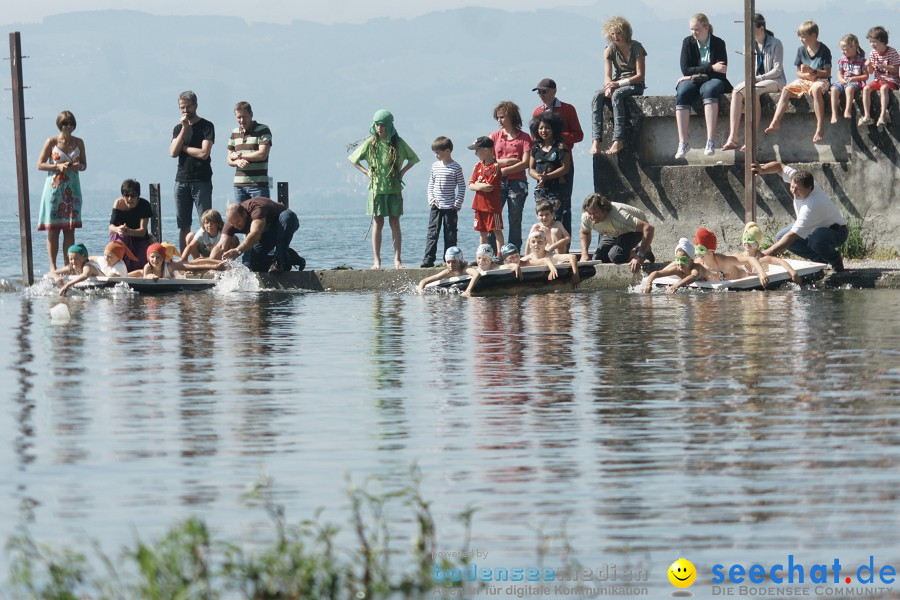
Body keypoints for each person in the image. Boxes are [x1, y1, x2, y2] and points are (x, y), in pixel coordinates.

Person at [348, 109, 419, 269]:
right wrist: (366, 172)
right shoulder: (370, 143)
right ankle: (377, 261)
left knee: (395, 222)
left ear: (388, 126)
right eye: (377, 124)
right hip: (376, 190)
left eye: (382, 124)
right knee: (377, 223)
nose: (379, 127)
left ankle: (397, 260)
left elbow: (413, 159)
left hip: (394, 188)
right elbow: (353, 159)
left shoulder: (398, 142)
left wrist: (401, 173)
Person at [751, 161, 848, 271]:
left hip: (836, 232)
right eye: (792, 187)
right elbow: (779, 167)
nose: (793, 191)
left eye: (797, 189)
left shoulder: (811, 205)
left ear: (810, 188)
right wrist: (762, 170)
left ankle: (836, 262)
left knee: (815, 240)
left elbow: (792, 236)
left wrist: (766, 253)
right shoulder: (798, 178)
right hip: (814, 229)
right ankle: (820, 260)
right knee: (780, 236)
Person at [721, 14, 786, 151]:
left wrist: (759, 78)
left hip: (775, 81)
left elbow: (777, 70)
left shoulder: (776, 43)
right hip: (755, 80)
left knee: (754, 92)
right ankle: (733, 137)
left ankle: (752, 139)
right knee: (736, 92)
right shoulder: (749, 45)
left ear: (761, 28)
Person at [674, 13, 732, 159]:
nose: (694, 32)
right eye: (692, 29)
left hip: (714, 80)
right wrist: (711, 67)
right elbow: (685, 69)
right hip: (697, 79)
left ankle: (710, 140)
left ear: (706, 27)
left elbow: (722, 70)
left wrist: (699, 72)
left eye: (697, 29)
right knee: (682, 92)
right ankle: (683, 142)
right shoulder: (688, 42)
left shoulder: (719, 43)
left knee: (709, 90)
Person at [765, 21, 832, 143]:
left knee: (816, 90)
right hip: (805, 80)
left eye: (803, 36)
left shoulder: (824, 50)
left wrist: (813, 71)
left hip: (820, 80)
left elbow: (827, 73)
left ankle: (820, 126)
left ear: (813, 36)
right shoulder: (801, 50)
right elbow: (798, 72)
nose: (801, 39)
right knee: (786, 90)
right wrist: (805, 74)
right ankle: (776, 121)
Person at [36, 110, 87, 271]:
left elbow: (85, 165)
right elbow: (40, 164)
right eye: (65, 123)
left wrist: (79, 166)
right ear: (60, 124)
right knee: (53, 229)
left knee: (69, 229)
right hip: (55, 190)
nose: (69, 126)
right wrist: (57, 166)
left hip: (72, 190)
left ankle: (68, 265)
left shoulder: (79, 142)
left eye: (71, 123)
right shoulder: (51, 142)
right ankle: (52, 266)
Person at [532, 78, 583, 238]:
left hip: (562, 162)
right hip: (542, 164)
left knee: (564, 205)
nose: (541, 95)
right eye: (539, 92)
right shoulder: (537, 112)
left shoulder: (567, 109)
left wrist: (558, 137)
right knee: (543, 205)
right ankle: (544, 241)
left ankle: (564, 242)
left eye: (544, 91)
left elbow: (578, 135)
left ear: (554, 91)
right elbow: (535, 138)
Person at [591, 16, 647, 155]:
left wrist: (618, 84)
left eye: (619, 33)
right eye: (613, 33)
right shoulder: (609, 50)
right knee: (598, 96)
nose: (616, 37)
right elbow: (607, 75)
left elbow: (640, 75)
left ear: (626, 32)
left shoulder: (637, 48)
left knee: (617, 95)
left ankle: (618, 140)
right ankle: (596, 140)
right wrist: (608, 86)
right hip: (617, 82)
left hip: (635, 84)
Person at [169, 90, 215, 251]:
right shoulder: (177, 129)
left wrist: (185, 148)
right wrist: (183, 128)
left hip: (201, 180)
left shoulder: (206, 126)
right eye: (182, 107)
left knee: (208, 222)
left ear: (195, 105)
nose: (185, 110)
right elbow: (173, 152)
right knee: (183, 224)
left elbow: (203, 153)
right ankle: (184, 261)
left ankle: (209, 258)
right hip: (181, 180)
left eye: (188, 106)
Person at [212, 198, 301, 273]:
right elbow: (220, 246)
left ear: (244, 214)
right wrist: (210, 266)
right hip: (266, 232)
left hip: (283, 224)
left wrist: (237, 250)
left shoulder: (256, 209)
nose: (236, 226)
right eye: (233, 224)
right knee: (251, 265)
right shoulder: (231, 223)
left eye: (238, 222)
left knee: (287, 217)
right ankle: (289, 257)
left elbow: (255, 234)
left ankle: (280, 259)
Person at [489, 101, 532, 250]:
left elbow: (525, 162)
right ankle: (491, 252)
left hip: (517, 183)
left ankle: (513, 252)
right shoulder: (494, 136)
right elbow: (488, 160)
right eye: (497, 118)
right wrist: (507, 162)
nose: (499, 121)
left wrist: (505, 170)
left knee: (515, 218)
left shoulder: (525, 138)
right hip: (496, 183)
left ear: (511, 117)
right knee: (493, 218)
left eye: (502, 117)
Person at [579, 193, 654, 272]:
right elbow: (585, 233)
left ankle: (643, 251)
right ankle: (635, 250)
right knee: (598, 259)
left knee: (616, 256)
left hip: (632, 231)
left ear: (604, 209)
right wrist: (584, 254)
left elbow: (649, 228)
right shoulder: (587, 217)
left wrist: (639, 256)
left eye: (595, 213)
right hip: (612, 232)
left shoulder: (620, 216)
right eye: (590, 213)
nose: (592, 217)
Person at [420, 136, 465, 268]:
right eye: (435, 152)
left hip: (450, 207)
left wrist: (457, 203)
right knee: (432, 233)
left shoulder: (456, 167)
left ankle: (450, 259)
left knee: (450, 234)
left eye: (438, 152)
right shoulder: (435, 166)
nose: (436, 155)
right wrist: (431, 199)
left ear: (448, 151)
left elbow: (461, 186)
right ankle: (428, 259)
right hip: (436, 206)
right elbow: (431, 184)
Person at [226, 101, 272, 202]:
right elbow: (229, 159)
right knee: (240, 218)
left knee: (259, 216)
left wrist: (239, 156)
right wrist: (237, 162)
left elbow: (262, 154)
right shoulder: (234, 133)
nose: (241, 120)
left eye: (244, 117)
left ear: (251, 114)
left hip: (258, 185)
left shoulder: (263, 130)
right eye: (238, 117)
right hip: (239, 186)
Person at [528, 112, 571, 218]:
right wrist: (539, 177)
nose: (543, 131)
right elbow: (531, 169)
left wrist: (547, 177)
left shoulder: (560, 147)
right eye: (541, 128)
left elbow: (565, 168)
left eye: (547, 128)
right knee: (543, 218)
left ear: (553, 129)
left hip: (557, 188)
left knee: (556, 218)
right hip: (541, 189)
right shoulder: (535, 148)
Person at [468, 136, 505, 256]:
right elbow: (470, 185)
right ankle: (482, 255)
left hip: (492, 206)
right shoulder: (478, 166)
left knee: (496, 230)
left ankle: (500, 255)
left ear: (486, 150)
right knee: (482, 232)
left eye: (477, 150)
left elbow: (489, 186)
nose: (476, 153)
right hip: (479, 205)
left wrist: (477, 185)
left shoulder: (495, 167)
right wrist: (479, 185)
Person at [858, 26, 900, 130]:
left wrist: (884, 66)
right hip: (878, 79)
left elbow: (895, 69)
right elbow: (871, 72)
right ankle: (867, 116)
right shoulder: (873, 53)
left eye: (874, 42)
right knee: (866, 88)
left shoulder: (892, 52)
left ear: (882, 41)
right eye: (870, 42)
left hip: (891, 80)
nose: (872, 44)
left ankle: (882, 116)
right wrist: (868, 66)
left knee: (883, 89)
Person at [108, 179, 153, 272]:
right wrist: (118, 229)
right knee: (120, 241)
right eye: (126, 195)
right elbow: (111, 227)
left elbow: (142, 231)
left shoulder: (144, 205)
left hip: (139, 238)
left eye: (133, 196)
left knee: (141, 262)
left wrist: (128, 231)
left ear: (138, 196)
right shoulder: (118, 203)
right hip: (121, 237)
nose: (129, 199)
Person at [641, 238, 706, 294]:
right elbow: (656, 273)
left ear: (691, 260)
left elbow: (693, 276)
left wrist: (676, 285)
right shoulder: (677, 269)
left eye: (683, 260)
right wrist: (648, 284)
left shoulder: (697, 267)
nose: (680, 263)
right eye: (678, 259)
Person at [830, 34, 868, 125]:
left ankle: (847, 110)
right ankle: (834, 114)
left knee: (849, 88)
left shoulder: (862, 60)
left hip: (856, 82)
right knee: (834, 89)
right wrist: (841, 79)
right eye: (842, 49)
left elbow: (865, 76)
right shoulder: (842, 60)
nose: (843, 52)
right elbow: (839, 73)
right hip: (844, 81)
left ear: (854, 47)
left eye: (845, 49)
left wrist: (854, 78)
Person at [143, 243, 219, 280]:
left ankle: (219, 263)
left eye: (158, 257)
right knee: (139, 272)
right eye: (152, 257)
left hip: (179, 270)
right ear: (148, 258)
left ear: (163, 258)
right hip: (176, 268)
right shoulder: (148, 267)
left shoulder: (170, 266)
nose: (155, 260)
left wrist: (215, 267)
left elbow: (192, 267)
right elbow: (145, 276)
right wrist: (151, 276)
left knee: (194, 263)